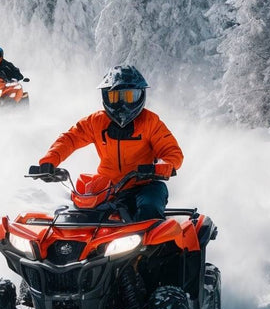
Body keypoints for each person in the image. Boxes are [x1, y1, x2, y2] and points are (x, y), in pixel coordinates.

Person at [34, 65, 183, 221]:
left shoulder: (151, 122)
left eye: (130, 96)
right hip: (108, 188)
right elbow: (70, 138)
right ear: (106, 97)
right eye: (115, 97)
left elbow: (172, 152)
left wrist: (162, 167)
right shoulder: (96, 121)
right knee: (79, 217)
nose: (123, 105)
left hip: (144, 185)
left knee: (149, 208)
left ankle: (154, 245)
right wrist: (50, 161)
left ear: (141, 95)